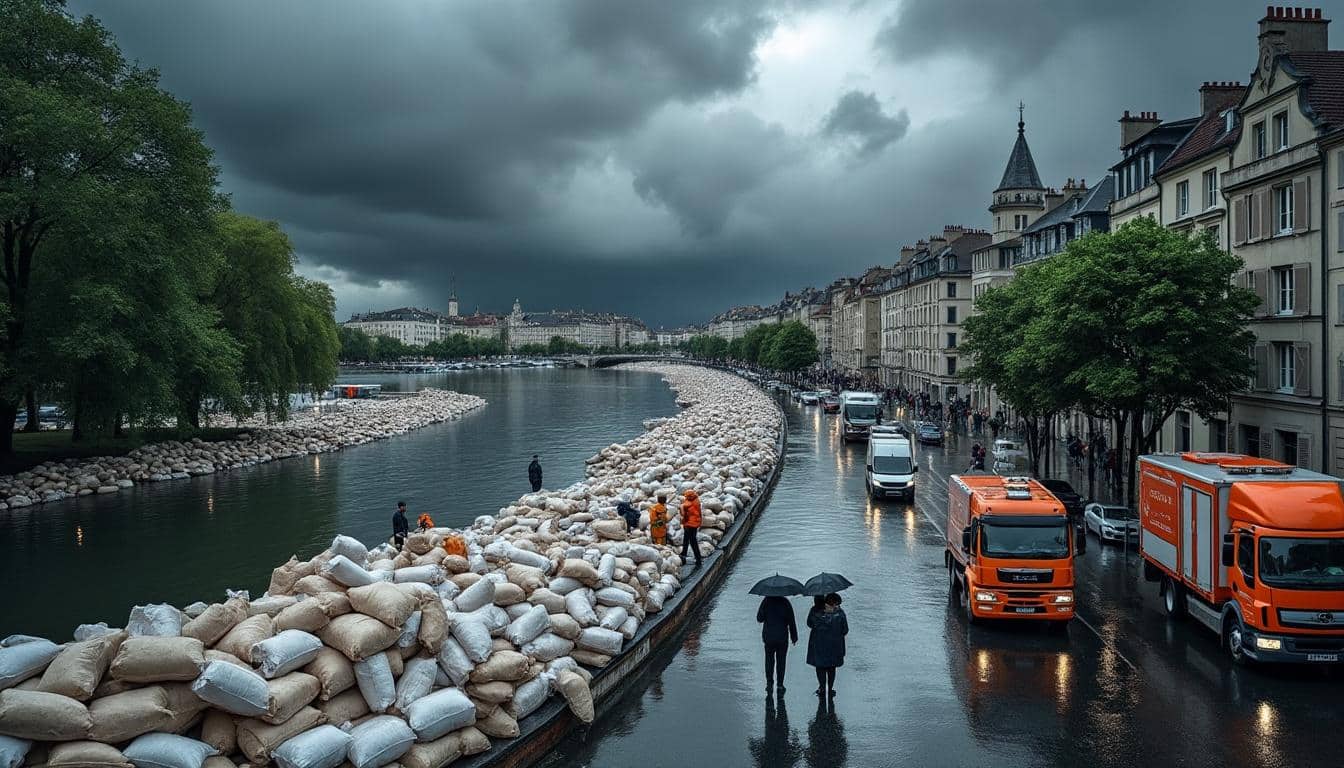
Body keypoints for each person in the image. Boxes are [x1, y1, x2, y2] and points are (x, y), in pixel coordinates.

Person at [806, 593, 848, 698]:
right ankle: (830, 688)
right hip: (835, 646)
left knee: (820, 667)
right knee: (831, 667)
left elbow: (809, 623)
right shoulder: (839, 614)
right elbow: (845, 630)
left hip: (819, 645)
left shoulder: (815, 611)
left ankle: (822, 687)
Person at [756, 595, 798, 692]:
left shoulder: (766, 601)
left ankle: (769, 683)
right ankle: (780, 684)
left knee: (769, 660)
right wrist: (794, 636)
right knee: (781, 661)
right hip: (782, 637)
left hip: (769, 637)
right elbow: (791, 620)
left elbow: (759, 618)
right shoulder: (785, 602)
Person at [680, 490, 703, 567]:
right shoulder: (694, 500)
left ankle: (698, 558)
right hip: (691, 523)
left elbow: (684, 511)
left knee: (693, 541)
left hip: (691, 524)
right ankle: (684, 553)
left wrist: (681, 507)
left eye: (686, 496)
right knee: (686, 539)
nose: (685, 497)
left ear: (690, 496)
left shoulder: (693, 503)